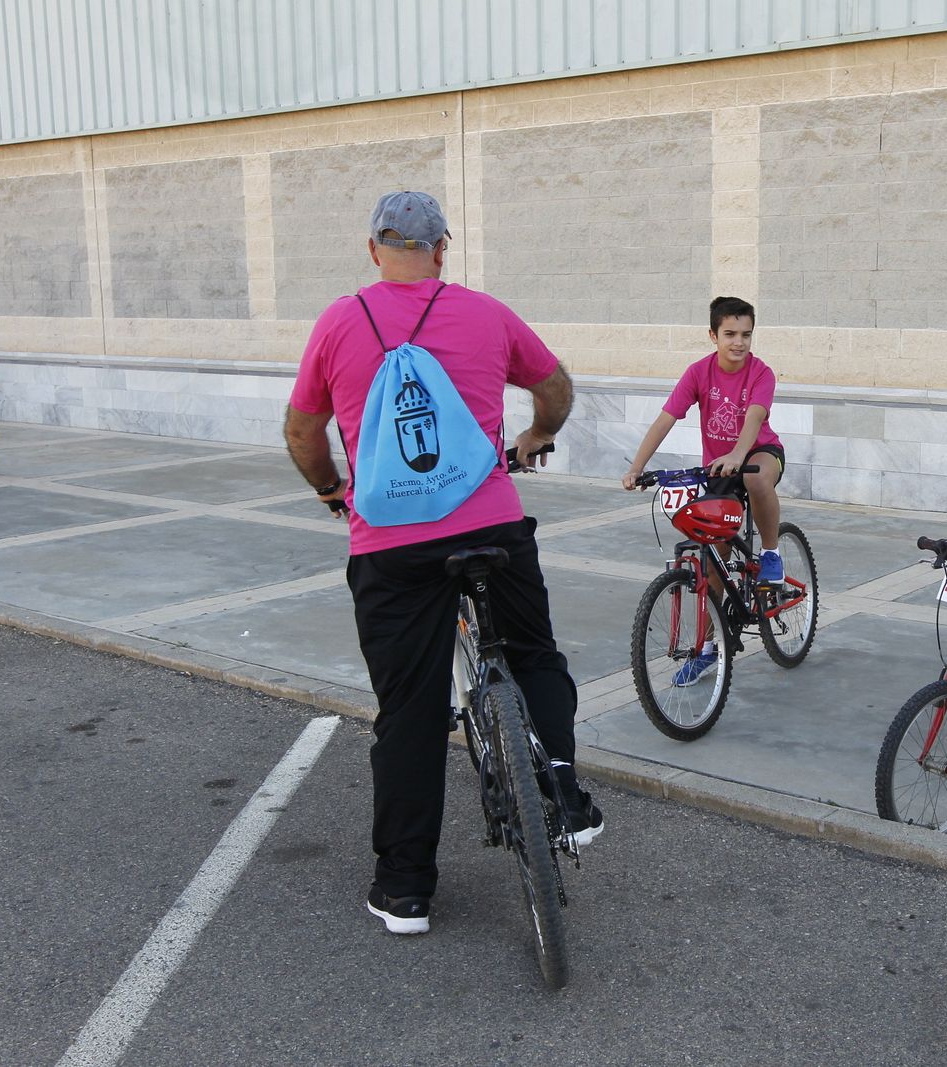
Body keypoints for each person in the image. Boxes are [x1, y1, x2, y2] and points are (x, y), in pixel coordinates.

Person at [283, 191, 602, 937]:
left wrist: (333, 489)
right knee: (533, 655)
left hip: (391, 546)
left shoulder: (338, 321)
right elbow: (555, 389)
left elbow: (302, 431)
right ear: (442, 248)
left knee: (411, 713)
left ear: (373, 250)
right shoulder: (486, 313)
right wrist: (530, 438)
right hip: (491, 522)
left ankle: (404, 889)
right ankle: (561, 789)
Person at [620, 296, 787, 685]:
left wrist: (738, 453)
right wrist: (637, 467)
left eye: (746, 334)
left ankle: (773, 553)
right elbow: (666, 418)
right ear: (713, 335)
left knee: (755, 477)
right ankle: (709, 649)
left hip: (759, 453)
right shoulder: (698, 373)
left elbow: (755, 418)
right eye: (730, 334)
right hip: (719, 466)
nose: (739, 342)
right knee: (712, 562)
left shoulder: (761, 373)